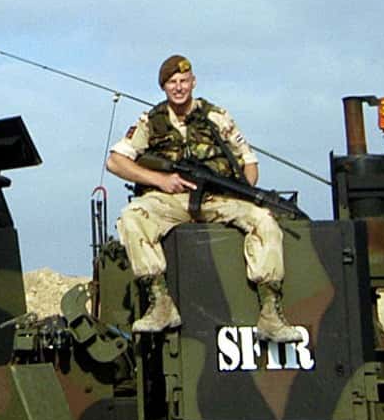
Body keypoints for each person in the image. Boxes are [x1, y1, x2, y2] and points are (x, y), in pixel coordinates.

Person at [105, 54, 302, 344]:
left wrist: (241, 189)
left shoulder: (216, 117)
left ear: (193, 82)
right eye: (172, 82)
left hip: (216, 198)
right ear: (164, 87)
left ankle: (271, 312)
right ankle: (160, 303)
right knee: (132, 217)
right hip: (171, 200)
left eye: (184, 81)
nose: (179, 87)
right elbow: (116, 162)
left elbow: (249, 162)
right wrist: (161, 180)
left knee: (264, 220)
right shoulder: (152, 121)